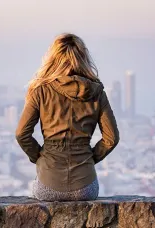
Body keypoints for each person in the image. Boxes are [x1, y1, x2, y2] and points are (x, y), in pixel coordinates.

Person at [15, 33, 119, 201]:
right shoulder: (97, 92)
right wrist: (89, 158)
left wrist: (40, 158)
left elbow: (21, 134)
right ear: (83, 58)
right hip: (86, 187)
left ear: (53, 59)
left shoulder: (40, 91)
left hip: (48, 184)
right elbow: (111, 138)